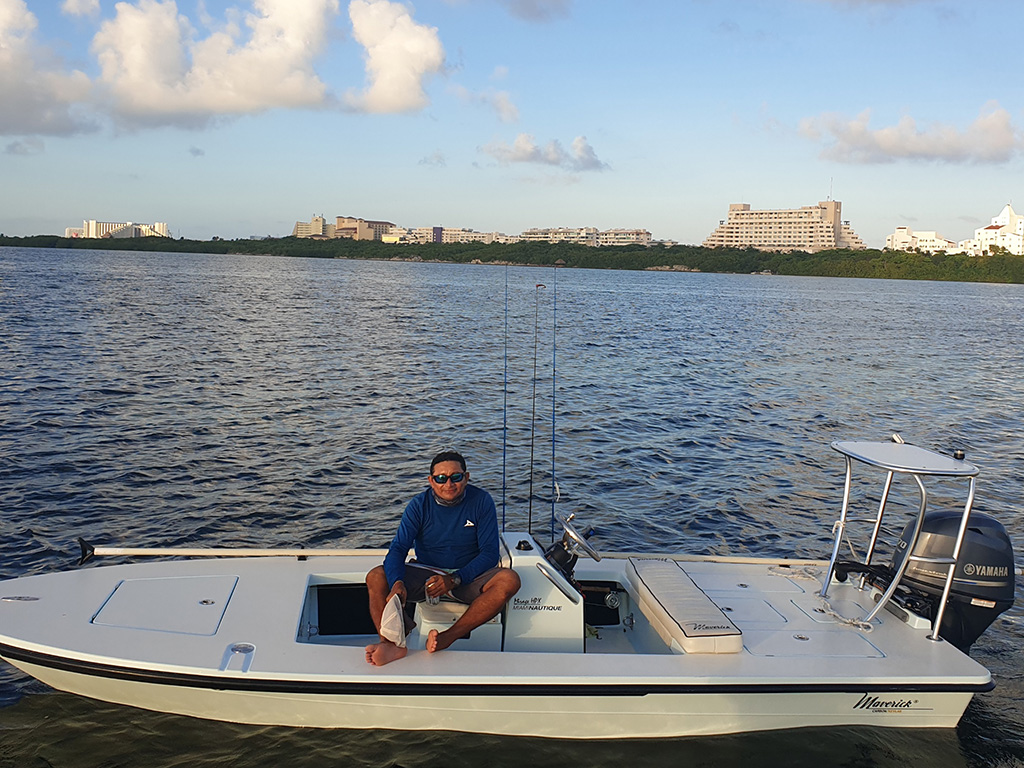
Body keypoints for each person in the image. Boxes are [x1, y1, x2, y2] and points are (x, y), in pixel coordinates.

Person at [364, 450, 521, 666]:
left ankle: (447, 637)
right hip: (427, 574)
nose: (449, 484)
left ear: (466, 477)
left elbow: (489, 553)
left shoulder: (481, 501)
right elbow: (399, 548)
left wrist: (456, 578)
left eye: (456, 477)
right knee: (376, 576)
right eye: (441, 478)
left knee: (509, 580)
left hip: (467, 576)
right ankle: (391, 644)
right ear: (431, 481)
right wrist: (397, 583)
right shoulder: (418, 505)